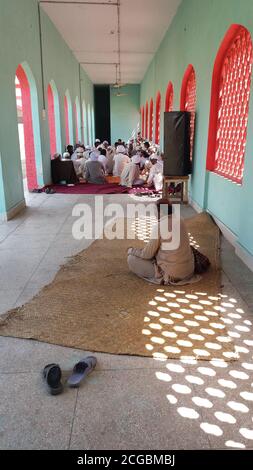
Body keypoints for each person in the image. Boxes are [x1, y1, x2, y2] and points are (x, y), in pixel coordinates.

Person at [127, 198, 195, 285]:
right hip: (188, 271)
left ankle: (164, 276)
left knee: (131, 259)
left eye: (155, 210)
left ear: (162, 212)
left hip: (172, 274)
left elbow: (147, 254)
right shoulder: (180, 219)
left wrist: (131, 251)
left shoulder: (159, 226)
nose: (154, 213)